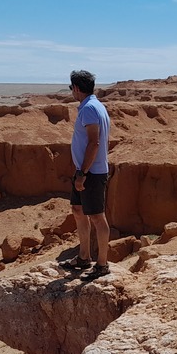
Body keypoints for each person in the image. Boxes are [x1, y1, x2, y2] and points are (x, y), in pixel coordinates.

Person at [59, 69, 112, 278]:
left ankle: (102, 264)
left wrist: (82, 173)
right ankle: (83, 257)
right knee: (78, 210)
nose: (72, 91)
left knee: (98, 217)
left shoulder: (89, 109)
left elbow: (94, 142)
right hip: (86, 170)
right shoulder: (95, 106)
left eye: (72, 87)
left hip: (91, 172)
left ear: (77, 88)